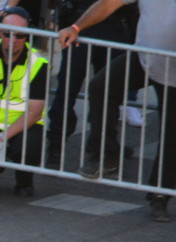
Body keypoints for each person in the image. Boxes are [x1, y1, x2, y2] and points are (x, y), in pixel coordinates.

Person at [59, 0, 175, 221]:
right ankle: (106, 156)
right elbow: (109, 2)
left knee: (171, 132)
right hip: (146, 57)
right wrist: (76, 27)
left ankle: (160, 195)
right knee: (100, 87)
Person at [0, 9, 48, 196]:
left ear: (27, 35)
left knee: (29, 150)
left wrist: (2, 138)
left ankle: (24, 178)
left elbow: (34, 113)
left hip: (21, 125)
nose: (13, 39)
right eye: (7, 33)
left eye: (20, 35)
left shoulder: (38, 63)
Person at [45, 0, 134, 162]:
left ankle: (103, 144)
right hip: (83, 24)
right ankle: (58, 143)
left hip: (107, 24)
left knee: (108, 93)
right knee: (69, 89)